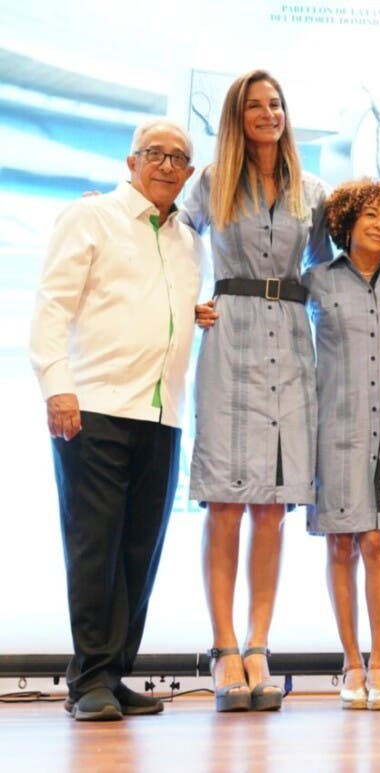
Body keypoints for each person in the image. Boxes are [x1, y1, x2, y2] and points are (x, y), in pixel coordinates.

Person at [29, 119, 202, 720]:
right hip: (95, 405)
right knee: (95, 547)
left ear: (188, 173)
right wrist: (57, 386)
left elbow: (168, 308)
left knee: (138, 552)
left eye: (179, 158)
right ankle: (89, 680)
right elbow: (53, 304)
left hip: (163, 411)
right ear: (131, 162)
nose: (167, 165)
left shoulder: (189, 240)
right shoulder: (91, 216)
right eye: (155, 153)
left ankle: (112, 672)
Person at [186, 69, 334, 712]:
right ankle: (224, 649)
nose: (268, 113)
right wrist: (187, 300)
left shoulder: (313, 190)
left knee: (272, 506)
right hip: (230, 339)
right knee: (225, 503)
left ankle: (258, 646)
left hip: (292, 344)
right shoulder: (211, 180)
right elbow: (167, 237)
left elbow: (331, 264)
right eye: (254, 105)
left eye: (276, 103)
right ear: (236, 116)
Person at [302, 179, 380, 710]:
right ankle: (350, 662)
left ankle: (379, 661)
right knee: (341, 544)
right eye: (370, 215)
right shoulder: (315, 280)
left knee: (379, 542)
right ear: (346, 222)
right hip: (335, 426)